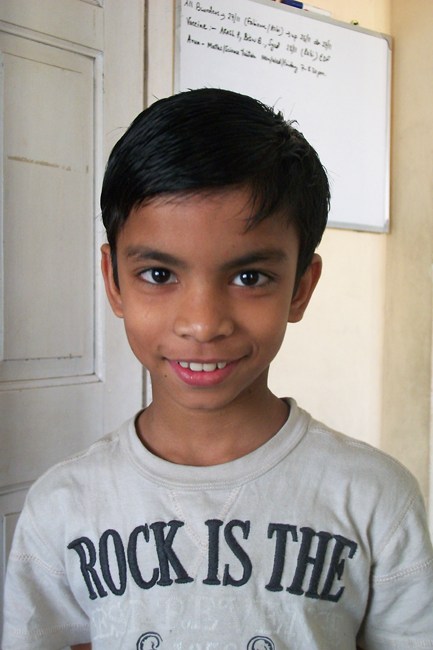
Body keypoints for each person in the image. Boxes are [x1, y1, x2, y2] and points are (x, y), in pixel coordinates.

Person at [2, 88, 433, 650]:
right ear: (114, 281)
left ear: (300, 288)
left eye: (249, 277)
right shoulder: (63, 505)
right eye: (159, 275)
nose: (203, 324)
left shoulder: (375, 499)